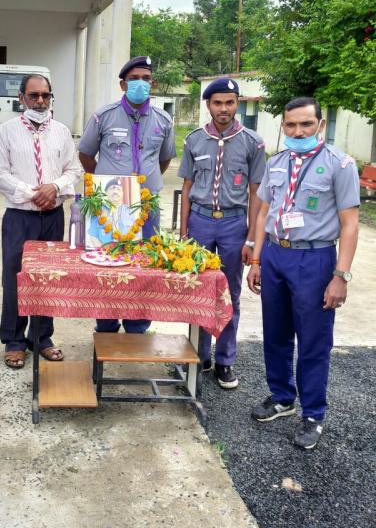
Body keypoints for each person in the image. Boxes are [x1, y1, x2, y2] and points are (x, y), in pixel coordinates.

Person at [247, 96, 360, 450]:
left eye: (306, 124)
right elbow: (264, 212)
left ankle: (313, 414)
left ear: (320, 125)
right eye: (291, 125)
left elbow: (350, 223)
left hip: (314, 260)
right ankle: (282, 397)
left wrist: (340, 275)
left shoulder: (340, 165)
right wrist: (256, 259)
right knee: (276, 332)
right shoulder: (277, 162)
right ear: (283, 127)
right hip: (277, 256)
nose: (298, 131)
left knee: (313, 341)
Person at [178, 77, 266, 389]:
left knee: (230, 294)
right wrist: (183, 231)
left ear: (237, 103)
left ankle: (225, 361)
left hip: (233, 225)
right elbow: (186, 189)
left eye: (230, 102)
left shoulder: (253, 143)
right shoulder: (193, 140)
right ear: (208, 105)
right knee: (197, 290)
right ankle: (198, 355)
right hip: (200, 222)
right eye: (218, 103)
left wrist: (252, 239)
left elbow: (257, 195)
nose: (224, 108)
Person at [79, 55, 176, 333]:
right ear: (123, 85)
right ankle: (107, 324)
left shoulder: (164, 120)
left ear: (153, 83)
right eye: (134, 79)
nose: (140, 84)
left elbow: (164, 159)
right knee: (108, 263)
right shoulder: (104, 116)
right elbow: (85, 153)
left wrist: (144, 184)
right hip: (110, 202)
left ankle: (137, 326)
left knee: (143, 263)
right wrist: (105, 181)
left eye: (146, 79)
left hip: (147, 204)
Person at [0, 73, 81, 369]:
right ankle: (14, 341)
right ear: (21, 99)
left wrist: (54, 188)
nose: (40, 101)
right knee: (16, 278)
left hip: (53, 217)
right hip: (20, 218)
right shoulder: (7, 131)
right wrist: (33, 193)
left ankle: (42, 338)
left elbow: (74, 169)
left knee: (49, 278)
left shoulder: (62, 131)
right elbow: (0, 174)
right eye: (34, 96)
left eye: (45, 95)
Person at [86, 177, 138, 247]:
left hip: (125, 252)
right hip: (103, 252)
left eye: (118, 189)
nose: (115, 191)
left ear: (122, 193)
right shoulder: (98, 210)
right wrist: (103, 253)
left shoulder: (130, 211)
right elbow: (93, 236)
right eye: (112, 188)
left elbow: (136, 235)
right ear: (106, 193)